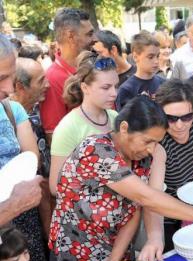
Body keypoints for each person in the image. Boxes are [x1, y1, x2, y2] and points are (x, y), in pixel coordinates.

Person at [49, 96, 193, 261]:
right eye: (147, 141)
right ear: (125, 128)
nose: (152, 149)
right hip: (75, 259)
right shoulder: (96, 151)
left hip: (116, 255)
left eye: (156, 142)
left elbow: (134, 210)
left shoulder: (141, 158)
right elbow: (147, 198)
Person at [49, 51, 119, 195]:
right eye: (106, 87)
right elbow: (55, 186)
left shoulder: (115, 117)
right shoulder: (68, 127)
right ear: (85, 87)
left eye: (115, 86)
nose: (114, 93)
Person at [150, 79, 193, 250]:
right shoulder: (159, 145)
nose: (180, 125)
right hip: (169, 220)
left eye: (186, 117)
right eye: (171, 119)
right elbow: (153, 198)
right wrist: (155, 239)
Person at [40, 8, 96, 144]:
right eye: (89, 34)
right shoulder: (53, 79)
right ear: (70, 36)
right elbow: (54, 137)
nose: (94, 39)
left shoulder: (92, 67)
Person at [11, 57, 52, 236]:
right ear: (20, 86)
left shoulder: (38, 110)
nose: (48, 85)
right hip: (25, 216)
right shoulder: (9, 121)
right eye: (41, 80)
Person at [115, 32, 165, 110]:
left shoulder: (164, 83)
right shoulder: (126, 90)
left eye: (157, 56)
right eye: (150, 57)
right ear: (135, 57)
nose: (156, 61)